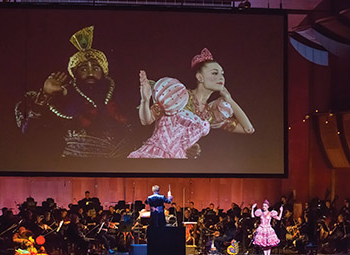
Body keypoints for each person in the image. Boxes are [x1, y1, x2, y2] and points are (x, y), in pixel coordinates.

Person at [15, 25, 131, 158]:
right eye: (83, 69)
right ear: (75, 73)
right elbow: (28, 133)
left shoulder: (118, 95)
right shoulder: (64, 98)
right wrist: (46, 93)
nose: (90, 73)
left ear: (104, 72)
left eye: (96, 68)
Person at [128, 48, 254, 159]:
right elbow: (146, 120)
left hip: (178, 165)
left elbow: (248, 129)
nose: (221, 77)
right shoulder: (177, 95)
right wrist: (145, 100)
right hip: (154, 155)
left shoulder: (211, 114)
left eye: (222, 74)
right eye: (215, 73)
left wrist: (229, 98)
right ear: (200, 77)